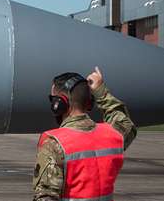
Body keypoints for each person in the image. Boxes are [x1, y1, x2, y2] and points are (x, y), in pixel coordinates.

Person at [33, 67, 137, 201]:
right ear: (88, 102)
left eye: (53, 99)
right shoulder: (113, 135)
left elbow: (46, 197)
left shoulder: (55, 143)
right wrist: (101, 92)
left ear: (59, 103)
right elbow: (125, 122)